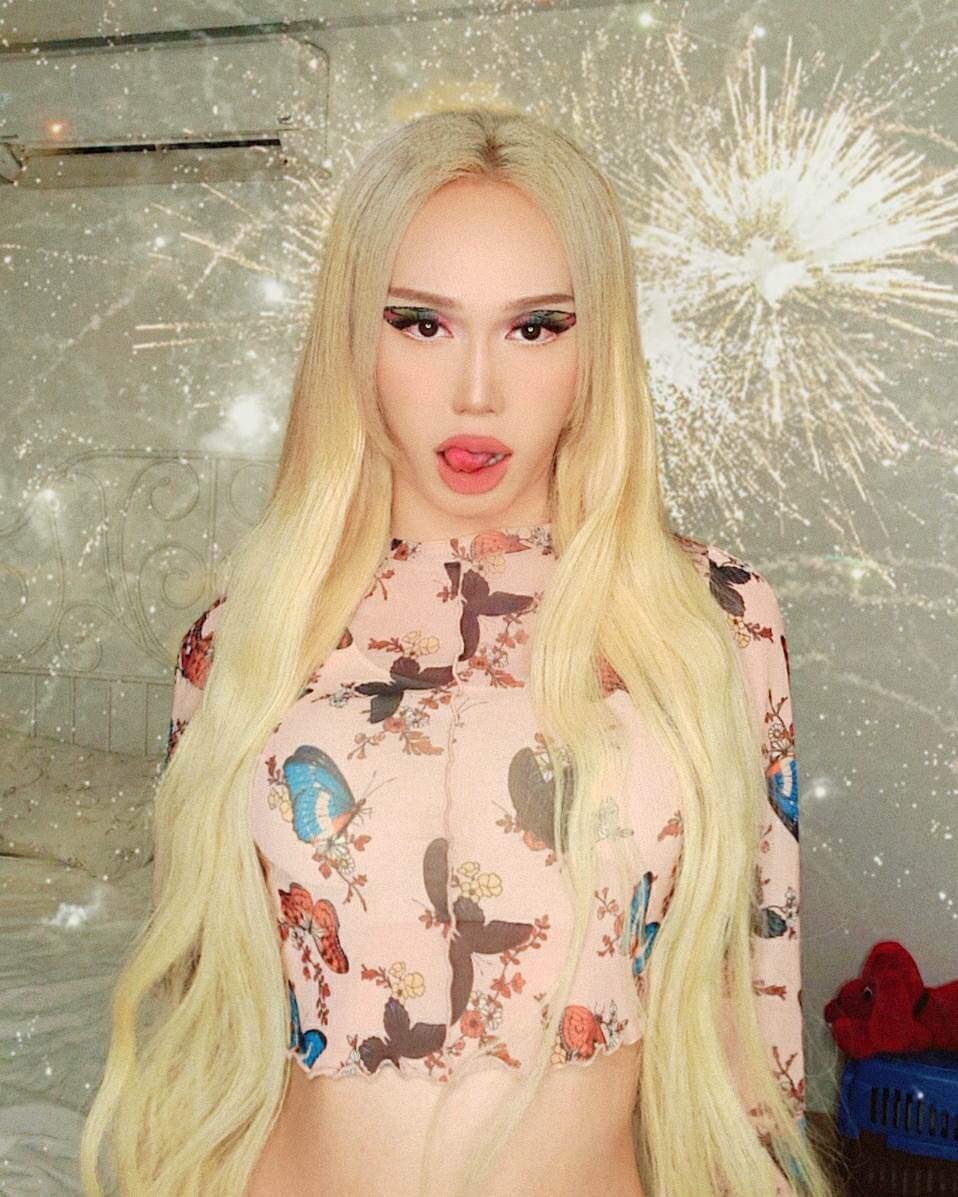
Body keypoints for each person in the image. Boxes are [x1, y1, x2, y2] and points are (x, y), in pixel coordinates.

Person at [80, 107, 841, 1197]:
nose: (476, 389)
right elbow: (210, 1012)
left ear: (596, 344)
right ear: (355, 336)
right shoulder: (246, 633)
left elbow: (752, 1034)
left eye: (536, 327)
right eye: (421, 323)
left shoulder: (711, 618)